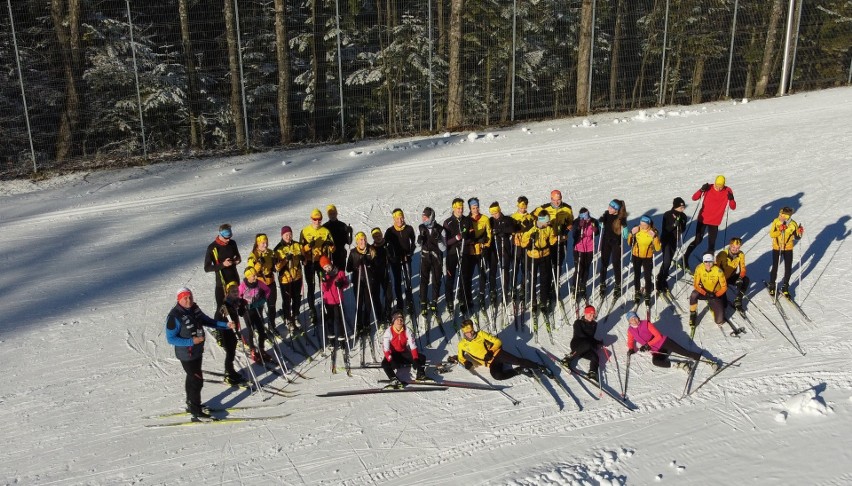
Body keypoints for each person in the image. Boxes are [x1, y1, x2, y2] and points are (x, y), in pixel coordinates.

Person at [165, 287, 236, 419]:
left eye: (190, 297)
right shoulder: (174, 316)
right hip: (186, 355)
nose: (188, 300)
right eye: (185, 298)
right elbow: (171, 338)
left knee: (192, 378)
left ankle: (191, 403)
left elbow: (208, 321)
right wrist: (191, 341)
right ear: (179, 299)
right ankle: (195, 409)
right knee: (197, 380)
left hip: (197, 352)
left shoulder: (194, 309)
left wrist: (226, 325)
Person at [456, 319, 550, 380]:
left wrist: (491, 351)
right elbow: (460, 357)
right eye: (468, 332)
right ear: (464, 333)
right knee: (497, 376)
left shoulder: (481, 334)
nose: (471, 334)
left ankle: (540, 367)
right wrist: (465, 363)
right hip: (490, 363)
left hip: (496, 354)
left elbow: (498, 341)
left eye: (472, 331)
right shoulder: (462, 344)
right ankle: (519, 371)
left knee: (517, 361)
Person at [626, 311, 717, 370]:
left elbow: (658, 336)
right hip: (655, 350)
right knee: (656, 362)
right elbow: (630, 341)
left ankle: (709, 361)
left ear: (638, 317)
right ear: (629, 322)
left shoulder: (646, 324)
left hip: (664, 342)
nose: (634, 320)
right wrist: (631, 348)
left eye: (635, 317)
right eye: (631, 319)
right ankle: (680, 365)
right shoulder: (630, 331)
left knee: (684, 353)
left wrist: (647, 345)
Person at [682, 175, 736, 267]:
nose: (719, 188)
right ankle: (685, 258)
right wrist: (701, 190)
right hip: (702, 219)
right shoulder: (708, 187)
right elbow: (694, 198)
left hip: (714, 221)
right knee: (698, 240)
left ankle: (709, 266)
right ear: (714, 183)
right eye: (717, 185)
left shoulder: (728, 191)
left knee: (711, 245)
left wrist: (731, 199)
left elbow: (733, 207)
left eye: (721, 186)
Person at [536, 189, 574, 300]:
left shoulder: (567, 208)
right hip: (548, 241)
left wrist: (567, 230)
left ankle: (555, 284)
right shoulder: (544, 208)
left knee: (558, 263)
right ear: (551, 199)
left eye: (559, 200)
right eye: (554, 200)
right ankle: (546, 288)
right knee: (547, 265)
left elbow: (571, 222)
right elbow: (534, 218)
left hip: (561, 240)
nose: (557, 202)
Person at [300, 209, 335, 323]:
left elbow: (333, 248)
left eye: (319, 219)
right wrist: (308, 247)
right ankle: (312, 310)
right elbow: (301, 250)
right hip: (310, 262)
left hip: (322, 262)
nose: (317, 221)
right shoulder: (305, 231)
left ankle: (326, 306)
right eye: (315, 219)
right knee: (311, 285)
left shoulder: (325, 231)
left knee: (324, 285)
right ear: (311, 219)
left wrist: (330, 245)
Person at [520, 212, 558, 312]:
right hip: (532, 256)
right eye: (547, 221)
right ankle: (533, 300)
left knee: (544, 279)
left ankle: (543, 300)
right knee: (532, 278)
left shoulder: (548, 228)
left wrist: (558, 237)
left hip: (545, 255)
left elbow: (552, 241)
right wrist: (530, 240)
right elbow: (523, 244)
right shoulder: (530, 228)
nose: (549, 223)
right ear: (542, 221)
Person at [215, 281, 249, 386]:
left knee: (233, 351)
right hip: (226, 331)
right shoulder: (225, 305)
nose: (235, 293)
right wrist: (224, 327)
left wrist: (243, 306)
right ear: (228, 292)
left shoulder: (236, 302)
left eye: (236, 291)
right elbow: (217, 319)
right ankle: (228, 373)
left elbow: (241, 313)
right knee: (230, 352)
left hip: (234, 330)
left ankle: (231, 371)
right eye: (233, 291)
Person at [346, 232, 379, 339]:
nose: (363, 242)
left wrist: (369, 264)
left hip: (369, 281)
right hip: (358, 281)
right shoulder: (353, 252)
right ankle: (359, 324)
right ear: (357, 241)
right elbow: (348, 268)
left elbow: (377, 265)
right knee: (359, 303)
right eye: (360, 240)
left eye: (364, 239)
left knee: (368, 303)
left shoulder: (371, 250)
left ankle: (367, 322)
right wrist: (357, 265)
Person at [381, 311, 427, 388]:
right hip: (393, 354)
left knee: (422, 357)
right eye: (397, 319)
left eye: (401, 319)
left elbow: (413, 346)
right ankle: (393, 379)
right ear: (393, 321)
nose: (400, 321)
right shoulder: (388, 332)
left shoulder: (407, 330)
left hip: (403, 353)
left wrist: (415, 359)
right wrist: (391, 361)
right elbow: (386, 349)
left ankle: (420, 375)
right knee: (385, 364)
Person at [444, 198, 473, 314]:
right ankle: (449, 301)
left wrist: (467, 238)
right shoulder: (448, 222)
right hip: (452, 253)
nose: (460, 210)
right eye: (458, 208)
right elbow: (446, 242)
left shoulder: (467, 220)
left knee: (463, 277)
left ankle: (462, 299)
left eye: (461, 208)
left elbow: (472, 235)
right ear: (453, 208)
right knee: (450, 278)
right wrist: (456, 238)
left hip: (464, 252)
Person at [239, 267, 274, 364]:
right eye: (253, 275)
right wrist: (240, 305)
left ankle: (261, 349)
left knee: (261, 330)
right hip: (247, 310)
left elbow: (267, 290)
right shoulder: (243, 286)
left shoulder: (259, 283)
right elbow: (237, 297)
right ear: (248, 276)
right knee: (251, 330)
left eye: (255, 275)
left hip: (257, 307)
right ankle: (253, 350)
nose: (255, 277)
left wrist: (263, 299)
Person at [384, 208, 416, 313]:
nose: (400, 220)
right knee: (397, 282)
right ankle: (400, 303)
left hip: (406, 258)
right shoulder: (389, 231)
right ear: (394, 219)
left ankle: (409, 300)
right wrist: (391, 256)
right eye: (397, 218)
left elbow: (413, 243)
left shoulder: (409, 229)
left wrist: (410, 253)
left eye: (401, 217)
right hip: (395, 261)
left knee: (408, 280)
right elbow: (385, 246)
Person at [203, 223, 242, 309]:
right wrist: (222, 265)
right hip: (222, 283)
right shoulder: (212, 247)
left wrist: (237, 260)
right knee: (222, 310)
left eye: (230, 237)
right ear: (220, 235)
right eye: (226, 238)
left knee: (239, 307)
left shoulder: (232, 243)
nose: (228, 240)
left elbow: (238, 256)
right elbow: (207, 268)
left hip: (234, 281)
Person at [768, 206, 804, 297]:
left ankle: (785, 286)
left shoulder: (793, 224)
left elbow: (797, 237)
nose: (781, 216)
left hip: (788, 248)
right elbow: (772, 234)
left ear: (788, 216)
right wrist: (780, 230)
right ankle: (772, 285)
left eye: (783, 215)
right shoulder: (776, 222)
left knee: (788, 268)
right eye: (780, 214)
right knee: (775, 266)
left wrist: (800, 232)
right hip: (777, 247)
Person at [560, 305, 603, 381]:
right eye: (590, 314)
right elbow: (580, 334)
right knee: (587, 343)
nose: (592, 316)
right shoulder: (578, 323)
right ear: (585, 313)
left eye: (593, 314)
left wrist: (598, 342)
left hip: (587, 346)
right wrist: (591, 342)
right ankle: (567, 359)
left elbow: (591, 337)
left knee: (595, 356)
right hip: (577, 344)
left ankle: (592, 372)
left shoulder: (594, 324)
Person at [273, 226, 304, 331]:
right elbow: (276, 268)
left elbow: (304, 260)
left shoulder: (297, 245)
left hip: (297, 276)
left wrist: (303, 258)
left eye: (290, 234)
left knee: (297, 298)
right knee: (287, 299)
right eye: (286, 234)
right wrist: (286, 260)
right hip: (286, 279)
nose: (288, 236)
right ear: (282, 235)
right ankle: (287, 318)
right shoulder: (278, 248)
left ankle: (295, 315)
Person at [489, 202, 518, 307]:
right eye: (493, 213)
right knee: (492, 270)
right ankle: (493, 291)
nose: (495, 215)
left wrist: (502, 230)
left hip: (504, 247)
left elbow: (513, 229)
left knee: (505, 269)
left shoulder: (507, 219)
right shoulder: (490, 221)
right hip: (493, 249)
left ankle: (505, 292)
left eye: (496, 213)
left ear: (499, 210)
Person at [627, 215, 661, 306]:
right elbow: (629, 243)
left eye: (644, 225)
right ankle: (637, 292)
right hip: (636, 256)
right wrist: (631, 233)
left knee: (647, 276)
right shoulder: (636, 230)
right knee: (637, 275)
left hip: (647, 257)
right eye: (641, 224)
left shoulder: (653, 232)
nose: (642, 226)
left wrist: (655, 237)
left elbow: (658, 248)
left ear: (648, 224)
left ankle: (647, 294)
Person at [656, 197, 688, 293]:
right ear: (675, 206)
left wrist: (681, 224)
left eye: (683, 207)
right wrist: (674, 224)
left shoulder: (684, 216)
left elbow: (682, 230)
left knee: (668, 261)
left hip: (674, 240)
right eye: (680, 207)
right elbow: (665, 229)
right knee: (666, 261)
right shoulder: (667, 215)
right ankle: (660, 280)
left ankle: (663, 277)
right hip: (666, 240)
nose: (682, 209)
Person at [418, 207, 446, 315]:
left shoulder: (440, 229)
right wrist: (419, 240)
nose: (423, 219)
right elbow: (418, 244)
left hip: (436, 258)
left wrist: (439, 240)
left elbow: (443, 248)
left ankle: (434, 302)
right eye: (423, 216)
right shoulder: (421, 228)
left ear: (431, 217)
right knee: (424, 280)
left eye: (426, 217)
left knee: (436, 280)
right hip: (425, 257)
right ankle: (423, 302)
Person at [465, 197, 492, 310]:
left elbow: (489, 235)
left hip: (481, 251)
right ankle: (468, 297)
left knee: (482, 274)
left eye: (477, 207)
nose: (475, 210)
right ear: (470, 208)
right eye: (473, 208)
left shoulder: (485, 219)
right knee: (469, 275)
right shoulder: (466, 220)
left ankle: (481, 295)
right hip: (470, 252)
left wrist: (485, 242)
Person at [598, 199, 628, 300]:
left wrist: (625, 229)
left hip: (616, 243)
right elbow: (601, 224)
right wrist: (601, 222)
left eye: (611, 207)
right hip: (606, 242)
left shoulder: (621, 218)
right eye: (609, 206)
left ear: (616, 210)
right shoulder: (606, 214)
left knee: (616, 263)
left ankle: (618, 284)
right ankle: (602, 282)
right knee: (604, 263)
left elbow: (625, 235)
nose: (609, 208)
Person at [246, 233, 277, 327]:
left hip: (271, 282)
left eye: (266, 242)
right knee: (259, 307)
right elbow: (250, 273)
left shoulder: (270, 252)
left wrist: (277, 263)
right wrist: (259, 263)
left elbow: (277, 267)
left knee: (272, 306)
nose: (265, 245)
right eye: (263, 243)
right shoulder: (253, 255)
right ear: (257, 243)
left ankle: (272, 325)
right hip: (259, 284)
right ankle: (259, 326)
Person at [688, 253, 728, 328]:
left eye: (710, 262)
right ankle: (693, 314)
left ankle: (714, 304)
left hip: (714, 294)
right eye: (706, 262)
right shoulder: (699, 268)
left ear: (713, 262)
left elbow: (724, 287)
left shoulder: (718, 271)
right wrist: (705, 293)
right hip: (705, 292)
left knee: (719, 321)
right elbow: (696, 285)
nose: (708, 264)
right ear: (703, 262)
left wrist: (716, 294)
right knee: (694, 294)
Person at [511, 196, 535, 306]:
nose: (523, 209)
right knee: (515, 266)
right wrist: (514, 233)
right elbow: (509, 229)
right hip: (516, 245)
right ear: (518, 205)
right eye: (521, 206)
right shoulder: (513, 217)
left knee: (525, 267)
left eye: (524, 206)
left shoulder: (530, 217)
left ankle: (523, 287)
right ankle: (513, 287)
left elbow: (533, 229)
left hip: (526, 245)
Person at [319, 255, 349, 343]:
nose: (327, 268)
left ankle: (341, 337)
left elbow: (346, 284)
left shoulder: (339, 272)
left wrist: (341, 284)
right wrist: (324, 281)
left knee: (339, 319)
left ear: (331, 264)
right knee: (330, 319)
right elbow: (323, 289)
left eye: (328, 266)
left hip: (338, 300)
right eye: (325, 267)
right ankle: (331, 336)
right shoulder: (324, 276)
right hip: (328, 301)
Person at [571, 207, 599, 302]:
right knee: (579, 268)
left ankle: (583, 286)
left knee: (586, 268)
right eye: (583, 215)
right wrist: (579, 227)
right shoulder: (576, 221)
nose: (586, 217)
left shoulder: (593, 221)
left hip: (589, 248)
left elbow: (597, 233)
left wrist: (596, 230)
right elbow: (574, 235)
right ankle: (575, 286)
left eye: (587, 214)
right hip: (578, 248)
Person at [715, 237, 749, 311]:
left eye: (737, 248)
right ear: (730, 245)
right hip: (720, 280)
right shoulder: (722, 254)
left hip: (731, 277)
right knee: (724, 305)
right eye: (733, 247)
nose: (735, 249)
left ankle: (738, 299)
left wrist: (740, 278)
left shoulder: (740, 254)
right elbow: (715, 269)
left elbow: (743, 268)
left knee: (745, 280)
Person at [370, 227, 394, 325]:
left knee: (389, 295)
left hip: (385, 273)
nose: (378, 237)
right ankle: (379, 316)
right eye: (375, 236)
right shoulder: (371, 248)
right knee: (376, 297)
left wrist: (389, 254)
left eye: (379, 235)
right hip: (375, 275)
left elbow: (393, 258)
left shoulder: (387, 245)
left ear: (381, 234)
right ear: (373, 237)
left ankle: (388, 314)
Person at [323, 204, 353, 270]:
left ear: (337, 213)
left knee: (340, 275)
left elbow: (349, 242)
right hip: (329, 256)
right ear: (328, 215)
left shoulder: (343, 225)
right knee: (330, 277)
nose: (332, 215)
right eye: (330, 214)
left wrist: (350, 232)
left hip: (341, 254)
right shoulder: (325, 227)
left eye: (334, 213)